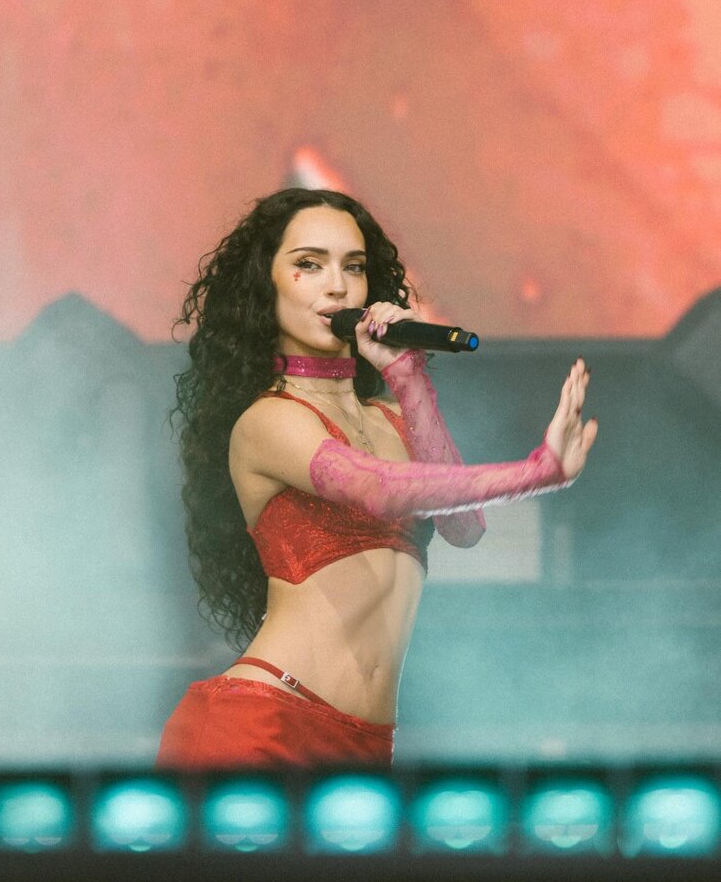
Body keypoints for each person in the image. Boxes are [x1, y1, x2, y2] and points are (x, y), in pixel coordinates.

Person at [156, 188, 597, 769]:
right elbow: (379, 489)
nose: (337, 287)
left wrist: (408, 377)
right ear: (266, 285)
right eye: (309, 264)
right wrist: (536, 472)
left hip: (365, 745)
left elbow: (465, 529)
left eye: (354, 267)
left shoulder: (391, 417)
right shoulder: (268, 420)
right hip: (264, 724)